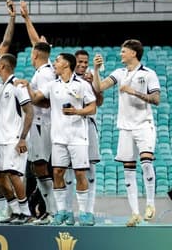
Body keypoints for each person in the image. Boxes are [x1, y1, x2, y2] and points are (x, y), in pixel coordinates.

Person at [92, 40, 160, 227]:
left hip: (144, 125)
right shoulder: (119, 73)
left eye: (123, 51)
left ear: (133, 53)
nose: (120, 54)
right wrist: (96, 70)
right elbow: (99, 88)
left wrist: (134, 92)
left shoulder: (148, 74)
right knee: (128, 171)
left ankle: (150, 204)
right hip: (125, 127)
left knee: (146, 163)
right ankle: (135, 213)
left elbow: (156, 99)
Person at [27, 53, 97, 226]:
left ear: (66, 64)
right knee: (58, 172)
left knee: (80, 173)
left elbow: (92, 107)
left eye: (57, 61)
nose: (54, 63)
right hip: (58, 138)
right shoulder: (52, 85)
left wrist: (77, 112)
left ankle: (84, 213)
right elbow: (35, 98)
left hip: (78, 137)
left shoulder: (82, 84)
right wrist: (26, 86)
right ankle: (62, 211)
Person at [20, 1, 58, 223]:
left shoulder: (43, 74)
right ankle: (48, 210)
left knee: (41, 167)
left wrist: (25, 87)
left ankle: (51, 211)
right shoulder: (47, 66)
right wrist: (26, 18)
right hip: (42, 124)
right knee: (38, 167)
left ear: (34, 56)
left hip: (42, 124)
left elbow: (43, 101)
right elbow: (37, 43)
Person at [0, 53, 34, 224]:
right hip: (0, 139)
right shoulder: (0, 87)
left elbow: (29, 112)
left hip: (14, 138)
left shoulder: (18, 85)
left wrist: (23, 138)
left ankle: (26, 212)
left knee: (13, 174)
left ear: (2, 66)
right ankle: (16, 211)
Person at [74, 49, 104, 219]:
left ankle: (89, 210)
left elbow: (99, 102)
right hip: (71, 127)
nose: (83, 65)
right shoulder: (66, 78)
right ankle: (69, 210)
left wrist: (93, 85)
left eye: (86, 62)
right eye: (80, 62)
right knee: (69, 171)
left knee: (91, 168)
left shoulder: (92, 77)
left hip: (89, 125)